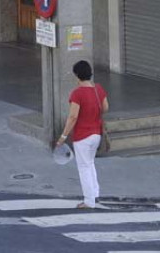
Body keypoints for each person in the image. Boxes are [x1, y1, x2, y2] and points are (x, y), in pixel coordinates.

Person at [56, 60, 109, 209]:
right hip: (96, 133)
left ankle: (89, 200)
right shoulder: (98, 89)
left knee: (84, 167)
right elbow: (105, 107)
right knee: (90, 163)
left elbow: (72, 117)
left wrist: (63, 137)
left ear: (77, 76)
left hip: (82, 136)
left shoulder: (77, 93)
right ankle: (95, 193)